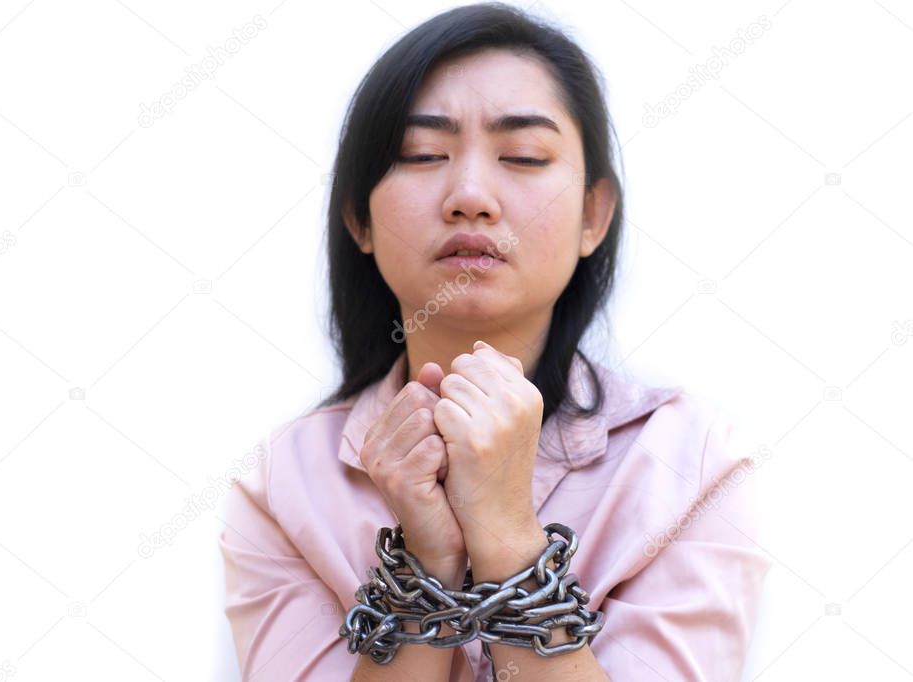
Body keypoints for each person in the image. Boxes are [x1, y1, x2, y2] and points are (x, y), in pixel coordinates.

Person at [218, 3, 772, 680]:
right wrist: (423, 563)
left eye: (523, 156)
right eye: (421, 155)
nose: (471, 195)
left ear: (592, 216)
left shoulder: (690, 462)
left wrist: (506, 530)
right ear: (358, 218)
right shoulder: (283, 481)